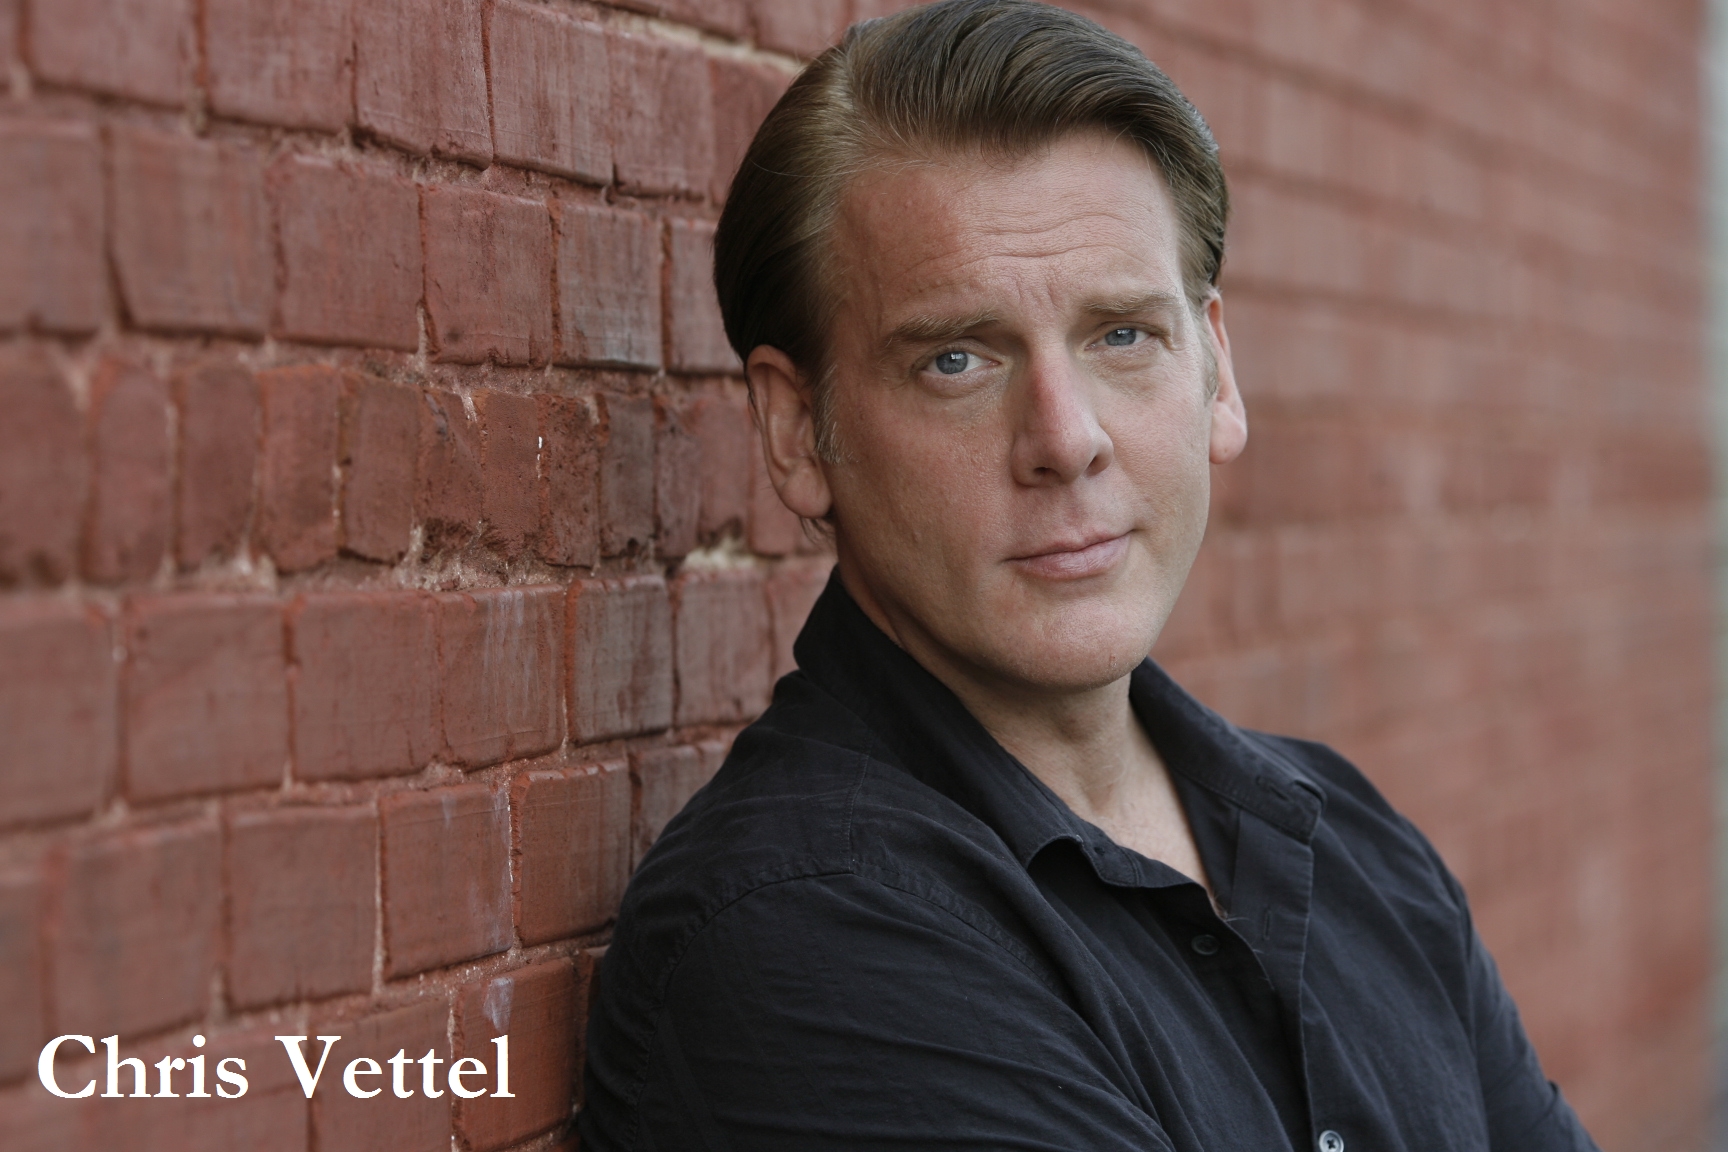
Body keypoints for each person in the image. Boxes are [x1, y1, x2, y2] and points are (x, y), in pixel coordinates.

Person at [579, 2, 1599, 1148]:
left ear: (1216, 373)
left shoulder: (1349, 841)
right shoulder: (804, 934)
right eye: (956, 359)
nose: (1066, 439)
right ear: (794, 430)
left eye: (1122, 336)